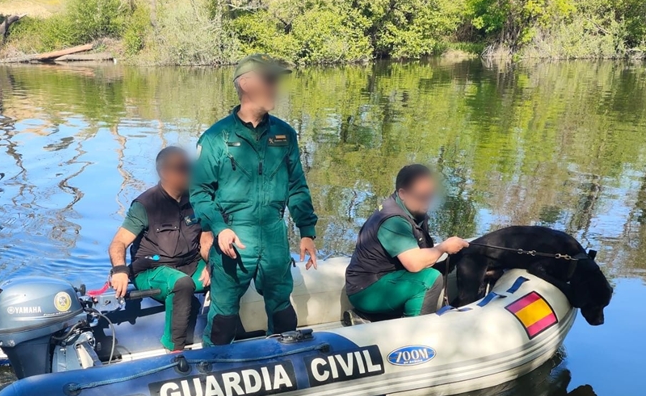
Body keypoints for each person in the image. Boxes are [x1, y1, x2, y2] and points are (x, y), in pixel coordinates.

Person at [191, 54, 318, 346]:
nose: (275, 88)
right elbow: (199, 193)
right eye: (269, 80)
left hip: (274, 236)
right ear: (246, 85)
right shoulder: (215, 138)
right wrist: (219, 227)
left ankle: (285, 364)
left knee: (283, 310)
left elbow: (297, 185)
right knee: (224, 318)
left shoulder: (284, 135)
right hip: (234, 237)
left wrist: (307, 232)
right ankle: (216, 369)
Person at [108, 147, 213, 351]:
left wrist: (211, 263)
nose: (189, 172)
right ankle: (175, 349)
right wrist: (120, 271)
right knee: (181, 283)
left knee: (226, 271)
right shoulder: (145, 205)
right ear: (165, 173)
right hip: (152, 269)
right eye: (183, 168)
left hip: (190, 263)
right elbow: (118, 243)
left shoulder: (197, 199)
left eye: (190, 167)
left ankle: (218, 340)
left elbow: (206, 240)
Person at [345, 164, 470, 317]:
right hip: (366, 291)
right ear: (403, 193)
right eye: (421, 196)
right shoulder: (393, 221)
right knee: (429, 279)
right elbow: (414, 264)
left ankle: (381, 318)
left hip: (388, 279)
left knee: (441, 266)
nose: (427, 201)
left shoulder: (413, 209)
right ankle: (415, 331)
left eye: (430, 195)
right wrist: (442, 247)